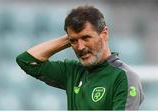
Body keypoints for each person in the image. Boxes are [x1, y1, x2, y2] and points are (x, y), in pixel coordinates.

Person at [16, 5, 144, 110]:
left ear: (104, 34)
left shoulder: (124, 77)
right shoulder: (72, 71)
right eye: (73, 41)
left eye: (86, 37)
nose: (80, 47)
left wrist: (74, 37)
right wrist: (69, 38)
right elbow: (26, 61)